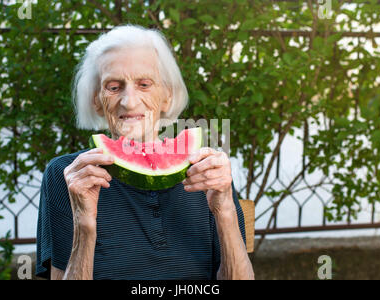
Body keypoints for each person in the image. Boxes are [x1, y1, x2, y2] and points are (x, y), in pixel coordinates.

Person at [36, 24, 254, 280]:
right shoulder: (69, 176)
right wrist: (84, 224)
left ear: (167, 97)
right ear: (96, 100)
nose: (129, 101)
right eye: (114, 87)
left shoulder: (205, 170)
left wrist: (225, 210)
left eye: (144, 84)